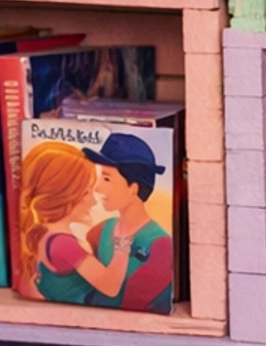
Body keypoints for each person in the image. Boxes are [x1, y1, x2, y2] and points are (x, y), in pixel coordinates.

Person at [60, 132, 174, 313]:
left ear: (133, 188)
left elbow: (129, 303)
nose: (98, 187)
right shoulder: (99, 232)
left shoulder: (161, 245)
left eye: (107, 179)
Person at [18, 140, 99, 302]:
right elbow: (112, 287)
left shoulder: (42, 234)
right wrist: (122, 248)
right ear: (62, 195)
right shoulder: (63, 244)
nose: (94, 201)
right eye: (86, 193)